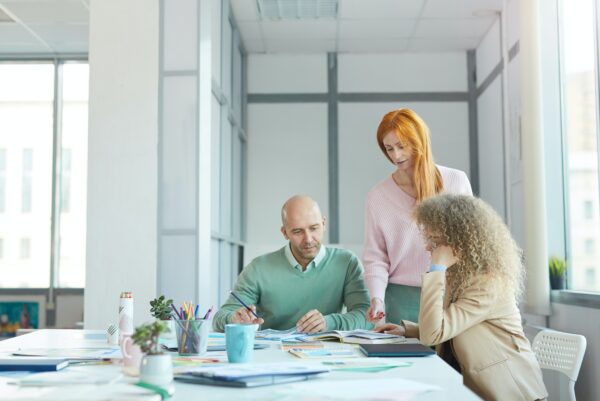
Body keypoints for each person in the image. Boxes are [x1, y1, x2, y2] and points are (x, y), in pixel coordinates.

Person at [375, 194, 548, 401]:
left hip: (508, 393)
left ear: (460, 242)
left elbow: (434, 335)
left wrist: (436, 270)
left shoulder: (487, 283)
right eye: (428, 238)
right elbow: (451, 326)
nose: (428, 247)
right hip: (472, 387)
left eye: (436, 240)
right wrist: (408, 330)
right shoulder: (461, 275)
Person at [363, 108, 472, 325]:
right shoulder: (377, 196)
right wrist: (377, 298)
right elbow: (375, 257)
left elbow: (470, 243)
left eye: (402, 146)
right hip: (400, 300)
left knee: (451, 360)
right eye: (389, 148)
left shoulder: (456, 182)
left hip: (450, 297)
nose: (396, 156)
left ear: (419, 142)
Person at [212, 195, 370, 332]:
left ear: (324, 224)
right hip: (271, 356)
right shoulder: (259, 268)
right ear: (285, 232)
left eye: (314, 228)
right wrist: (235, 319)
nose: (308, 239)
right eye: (297, 231)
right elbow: (219, 319)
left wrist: (329, 323)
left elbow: (366, 316)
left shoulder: (346, 262)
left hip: (326, 353)